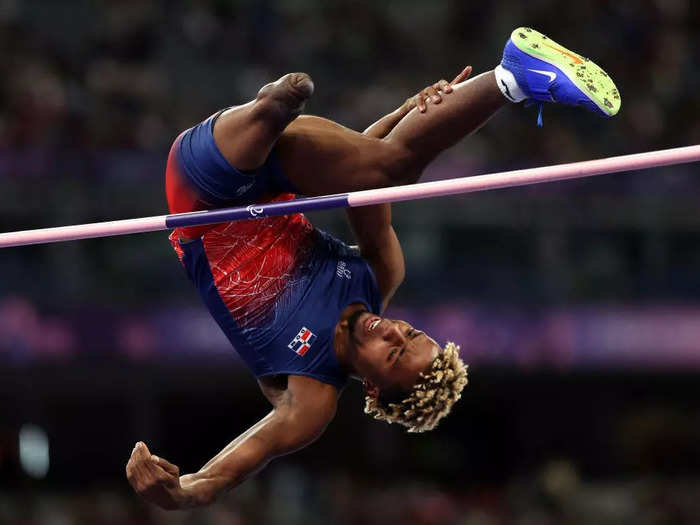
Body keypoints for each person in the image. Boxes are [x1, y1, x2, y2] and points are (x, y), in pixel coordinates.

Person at [126, 27, 620, 510]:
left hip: (202, 195)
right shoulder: (380, 276)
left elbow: (221, 476)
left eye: (393, 353)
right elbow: (367, 186)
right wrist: (408, 115)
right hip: (278, 178)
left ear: (377, 388)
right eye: (409, 333)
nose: (393, 331)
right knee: (390, 169)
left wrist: (178, 493)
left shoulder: (311, 398)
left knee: (295, 136)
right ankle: (513, 76)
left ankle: (268, 111)